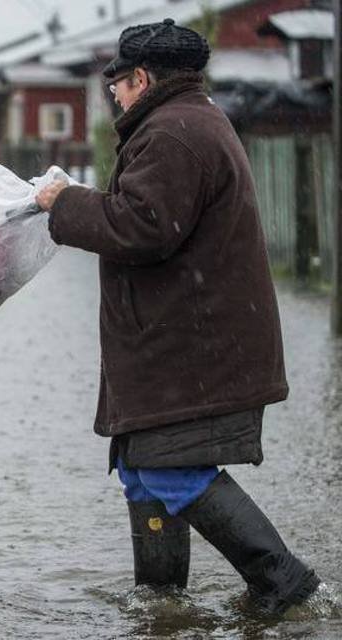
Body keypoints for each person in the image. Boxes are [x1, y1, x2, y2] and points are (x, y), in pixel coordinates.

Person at [35, 19, 319, 614]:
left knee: (172, 473)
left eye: (117, 81)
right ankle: (162, 605)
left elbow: (143, 227)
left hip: (189, 349)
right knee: (143, 472)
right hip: (178, 343)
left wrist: (65, 204)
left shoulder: (173, 133)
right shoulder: (186, 121)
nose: (113, 92)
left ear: (141, 78)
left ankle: (283, 583)